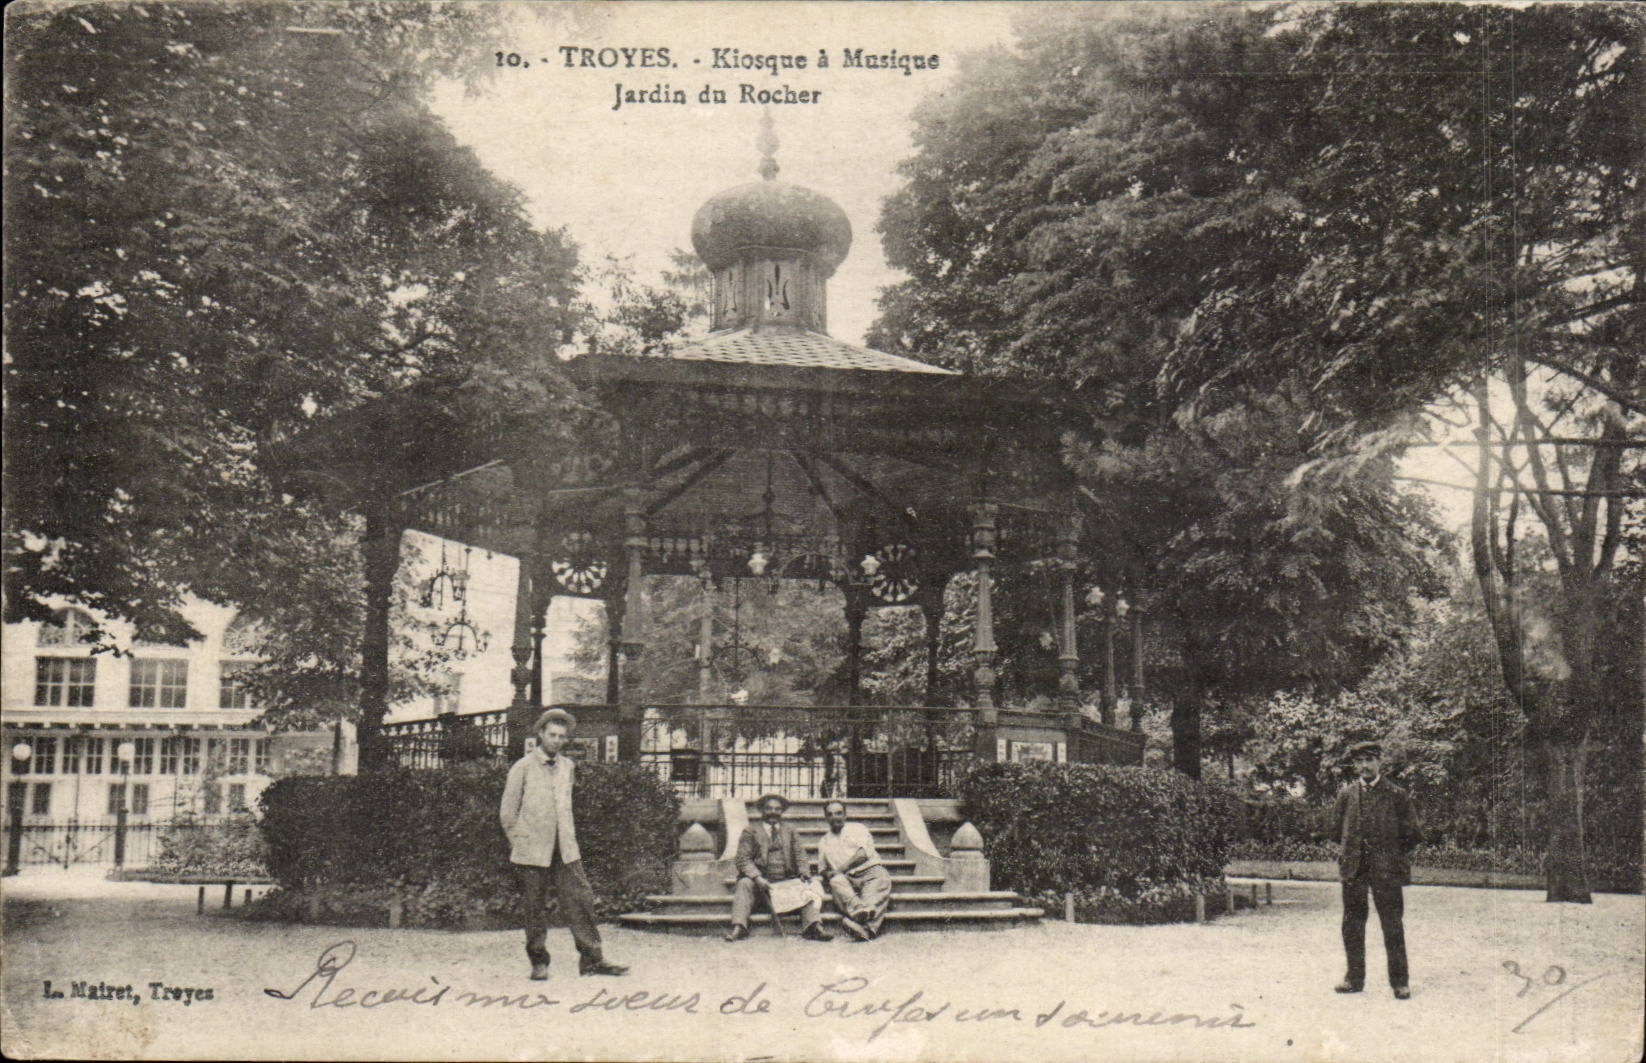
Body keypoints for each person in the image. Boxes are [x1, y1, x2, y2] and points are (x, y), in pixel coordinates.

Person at [499, 709, 628, 980]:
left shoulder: (567, 767)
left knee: (581, 900)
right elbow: (508, 814)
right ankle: (539, 962)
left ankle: (593, 959)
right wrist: (520, 844)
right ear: (541, 734)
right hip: (531, 850)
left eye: (562, 736)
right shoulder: (522, 767)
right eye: (552, 735)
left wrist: (568, 837)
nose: (557, 740)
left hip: (565, 848)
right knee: (534, 907)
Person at [1331, 740, 1421, 1000]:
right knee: (1352, 924)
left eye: (1370, 759)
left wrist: (1390, 856)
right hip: (1354, 869)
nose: (1364, 765)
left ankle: (1400, 982)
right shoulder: (1346, 795)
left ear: (1380, 761)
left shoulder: (1397, 795)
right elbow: (1336, 832)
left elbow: (1412, 835)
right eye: (1359, 761)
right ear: (1354, 764)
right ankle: (1353, 979)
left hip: (1386, 871)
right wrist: (1352, 852)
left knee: (1392, 925)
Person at [725, 793, 832, 942]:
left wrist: (804, 872)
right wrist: (757, 878)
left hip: (785, 884)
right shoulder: (750, 831)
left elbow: (800, 854)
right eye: (769, 808)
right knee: (744, 883)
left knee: (809, 885)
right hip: (761, 886)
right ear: (762, 810)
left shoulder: (790, 831)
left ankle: (814, 926)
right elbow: (743, 859)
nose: (773, 812)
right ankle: (739, 927)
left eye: (777, 809)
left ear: (782, 811)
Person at [817, 799, 893, 941]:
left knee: (879, 885)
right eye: (830, 814)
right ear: (826, 818)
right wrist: (829, 874)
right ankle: (859, 910)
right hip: (846, 879)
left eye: (839, 813)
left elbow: (863, 854)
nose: (835, 817)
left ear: (845, 815)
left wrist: (840, 868)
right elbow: (822, 868)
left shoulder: (858, 829)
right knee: (835, 882)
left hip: (870, 871)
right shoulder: (823, 842)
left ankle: (864, 927)